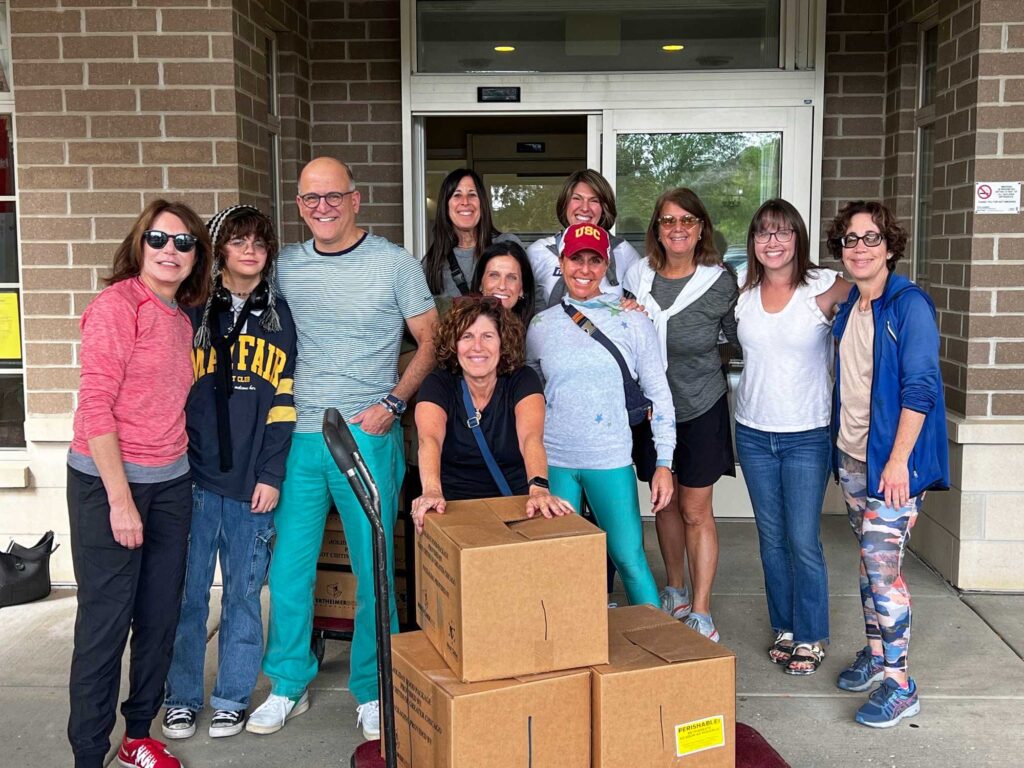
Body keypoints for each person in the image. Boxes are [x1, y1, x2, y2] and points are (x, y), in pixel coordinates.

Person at [245, 158, 438, 742]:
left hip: (365, 433)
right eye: (310, 199)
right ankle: (286, 682)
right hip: (298, 438)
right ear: (299, 205)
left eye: (333, 197)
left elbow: (431, 340)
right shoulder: (283, 268)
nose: (322, 208)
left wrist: (394, 404)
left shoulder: (393, 262)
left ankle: (373, 686)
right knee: (290, 568)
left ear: (357, 199)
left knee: (374, 567)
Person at [66, 200, 211, 768]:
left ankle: (137, 737)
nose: (169, 251)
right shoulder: (116, 306)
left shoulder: (180, 319)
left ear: (196, 255)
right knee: (104, 625)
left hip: (171, 486)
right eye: (158, 239)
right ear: (138, 243)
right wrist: (122, 501)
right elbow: (95, 407)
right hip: (108, 485)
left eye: (183, 242)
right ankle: (87, 753)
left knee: (158, 617)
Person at [162, 206, 297, 740]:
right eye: (238, 241)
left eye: (258, 243)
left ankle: (232, 696)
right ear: (219, 249)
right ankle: (182, 695)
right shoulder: (190, 309)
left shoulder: (279, 316)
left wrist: (272, 474)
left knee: (243, 595)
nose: (249, 250)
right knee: (188, 594)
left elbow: (284, 403)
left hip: (250, 483)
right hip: (191, 479)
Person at [827, 200, 948, 727]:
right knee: (869, 563)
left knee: (884, 570)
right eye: (851, 239)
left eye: (871, 237)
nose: (860, 247)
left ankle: (901, 685)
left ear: (891, 246)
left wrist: (898, 462)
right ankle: (877, 655)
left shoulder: (908, 305)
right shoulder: (853, 303)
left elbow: (920, 389)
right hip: (854, 455)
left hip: (892, 465)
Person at [526, 223, 674, 608]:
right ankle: (565, 653)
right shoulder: (540, 326)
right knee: (558, 565)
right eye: (576, 258)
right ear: (562, 262)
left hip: (609, 457)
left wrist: (664, 462)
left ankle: (659, 659)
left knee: (629, 559)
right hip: (555, 459)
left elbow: (659, 395)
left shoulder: (632, 320)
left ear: (606, 264)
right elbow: (530, 398)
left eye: (594, 260)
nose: (585, 269)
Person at [734, 199, 851, 675]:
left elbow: (872, 300)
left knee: (803, 539)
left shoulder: (822, 285)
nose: (773, 242)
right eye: (764, 233)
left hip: (806, 434)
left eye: (783, 232)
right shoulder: (744, 292)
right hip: (754, 432)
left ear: (797, 238)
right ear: (754, 243)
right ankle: (784, 626)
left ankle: (811, 634)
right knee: (770, 538)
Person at [622, 187, 739, 642]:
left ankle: (702, 610)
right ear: (656, 228)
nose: (677, 229)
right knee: (663, 504)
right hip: (652, 412)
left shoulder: (720, 280)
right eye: (668, 221)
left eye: (687, 221)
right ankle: (675, 590)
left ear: (701, 228)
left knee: (695, 509)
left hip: (699, 407)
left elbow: (737, 335)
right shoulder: (637, 275)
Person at [410, 297, 574, 530]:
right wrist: (431, 491)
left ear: (502, 342)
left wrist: (538, 488)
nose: (477, 346)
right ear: (454, 344)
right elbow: (429, 441)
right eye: (467, 336)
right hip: (454, 507)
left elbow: (531, 438)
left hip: (515, 506)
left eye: (487, 336)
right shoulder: (438, 384)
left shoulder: (522, 379)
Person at [527, 169, 641, 307]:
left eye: (594, 200)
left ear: (604, 208)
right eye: (577, 198)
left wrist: (633, 306)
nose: (585, 208)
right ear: (565, 203)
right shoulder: (538, 252)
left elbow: (640, 303)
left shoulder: (622, 251)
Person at [423, 168, 522, 299]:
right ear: (446, 206)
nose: (465, 202)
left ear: (482, 203)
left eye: (472, 195)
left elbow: (533, 299)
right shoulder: (432, 261)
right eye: (457, 195)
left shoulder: (506, 244)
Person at [470, 240, 537, 325]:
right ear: (480, 283)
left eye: (511, 277)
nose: (502, 286)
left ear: (522, 288)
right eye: (494, 275)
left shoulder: (538, 333)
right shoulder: (459, 330)